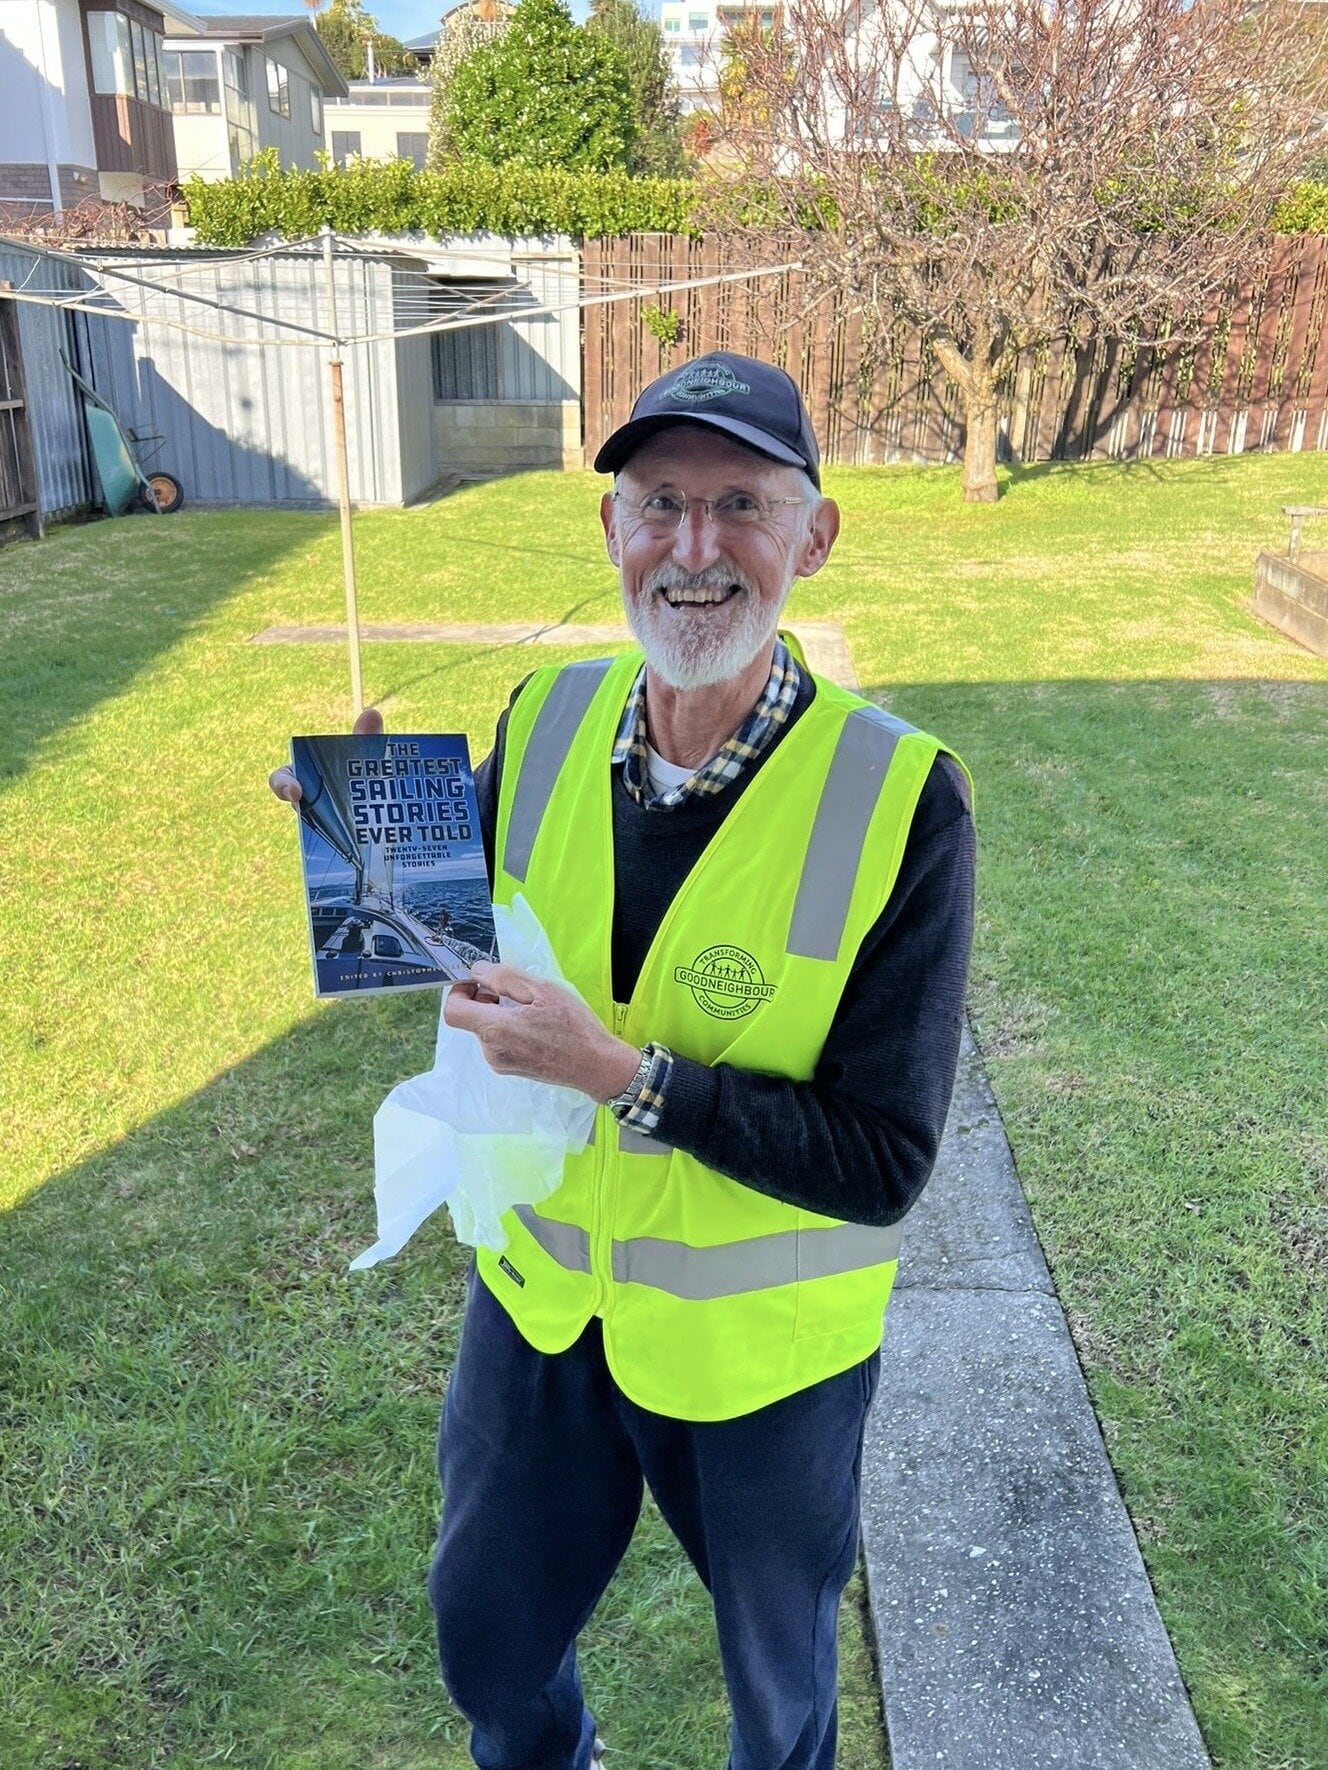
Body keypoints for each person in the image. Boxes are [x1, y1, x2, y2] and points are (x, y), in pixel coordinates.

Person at [270, 351, 975, 1770]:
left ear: (813, 537)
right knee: (487, 1640)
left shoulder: (904, 799)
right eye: (659, 502)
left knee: (779, 1704)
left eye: (740, 505)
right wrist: (372, 851)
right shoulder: (544, 719)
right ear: (611, 529)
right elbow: (463, 949)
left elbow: (887, 1159)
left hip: (762, 1357)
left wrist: (628, 1077)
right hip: (540, 1304)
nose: (694, 548)